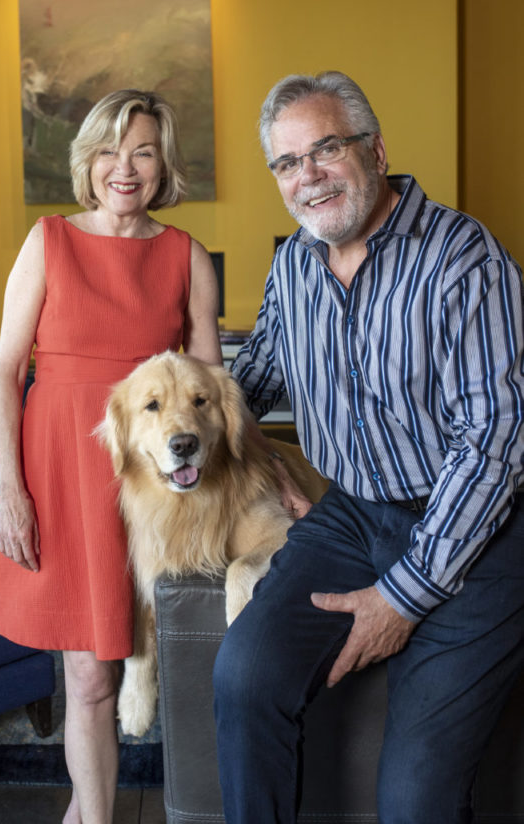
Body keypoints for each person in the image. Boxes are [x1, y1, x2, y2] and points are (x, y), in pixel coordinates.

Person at [213, 71, 524, 824]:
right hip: (354, 515)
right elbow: (253, 375)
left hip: (479, 525)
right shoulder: (294, 265)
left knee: (415, 795)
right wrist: (173, 394)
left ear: (375, 150)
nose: (306, 176)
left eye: (325, 149)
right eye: (286, 163)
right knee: (242, 678)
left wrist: (403, 596)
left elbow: (494, 442)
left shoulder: (462, 260)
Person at [0, 89, 222, 824]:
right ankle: (96, 816)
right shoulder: (48, 240)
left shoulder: (185, 255)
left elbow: (210, 392)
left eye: (144, 150)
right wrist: (12, 493)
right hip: (57, 475)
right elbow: (5, 374)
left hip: (149, 486)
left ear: (163, 164)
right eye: (111, 151)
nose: (126, 167)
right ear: (87, 161)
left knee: (166, 659)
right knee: (86, 677)